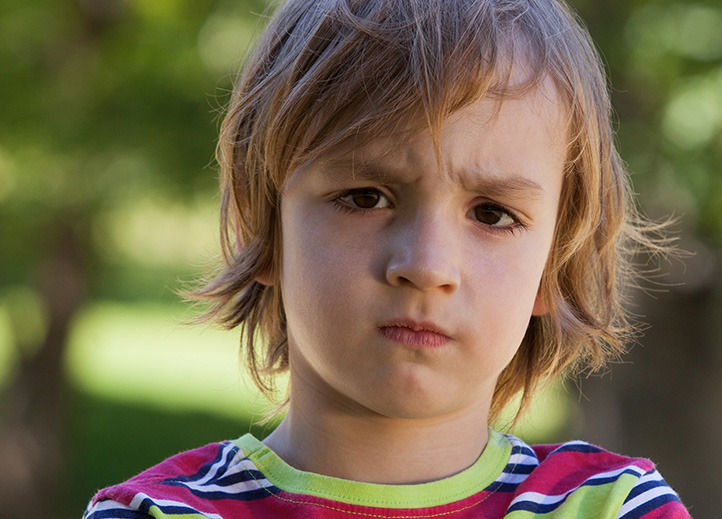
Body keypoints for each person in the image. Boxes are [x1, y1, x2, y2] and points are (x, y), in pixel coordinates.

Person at [84, 0, 691, 517]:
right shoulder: (160, 513)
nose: (426, 266)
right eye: (365, 197)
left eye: (492, 214)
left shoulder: (614, 507)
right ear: (260, 229)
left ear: (554, 266)